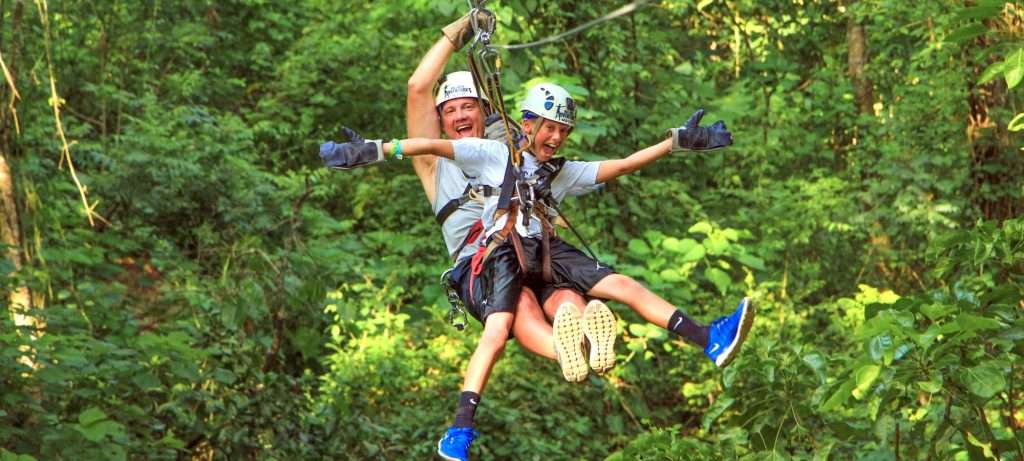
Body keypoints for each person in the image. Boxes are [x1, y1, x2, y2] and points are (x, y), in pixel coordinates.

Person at [321, 81, 755, 461]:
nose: (556, 137)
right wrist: (375, 150)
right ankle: (459, 430)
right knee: (499, 329)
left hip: (545, 249)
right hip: (504, 247)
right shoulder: (491, 153)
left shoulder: (561, 173)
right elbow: (431, 146)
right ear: (526, 125)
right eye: (548, 127)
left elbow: (621, 165)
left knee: (619, 283)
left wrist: (676, 142)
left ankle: (707, 339)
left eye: (563, 131)